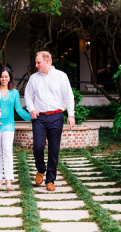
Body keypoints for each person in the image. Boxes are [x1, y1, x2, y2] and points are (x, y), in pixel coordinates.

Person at [25, 51, 75, 191]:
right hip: (39, 117)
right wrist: (32, 109)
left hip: (56, 116)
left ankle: (50, 180)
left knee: (54, 149)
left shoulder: (61, 76)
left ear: (47, 61)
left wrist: (71, 115)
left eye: (38, 62)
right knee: (38, 147)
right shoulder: (34, 78)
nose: (36, 65)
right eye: (36, 62)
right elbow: (28, 96)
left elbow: (69, 96)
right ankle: (41, 169)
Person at [0, 67, 31, 192]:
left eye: (6, 76)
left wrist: (31, 117)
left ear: (10, 78)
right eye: (2, 76)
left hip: (9, 126)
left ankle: (8, 180)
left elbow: (19, 110)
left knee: (7, 151)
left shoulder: (14, 93)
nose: (4, 78)